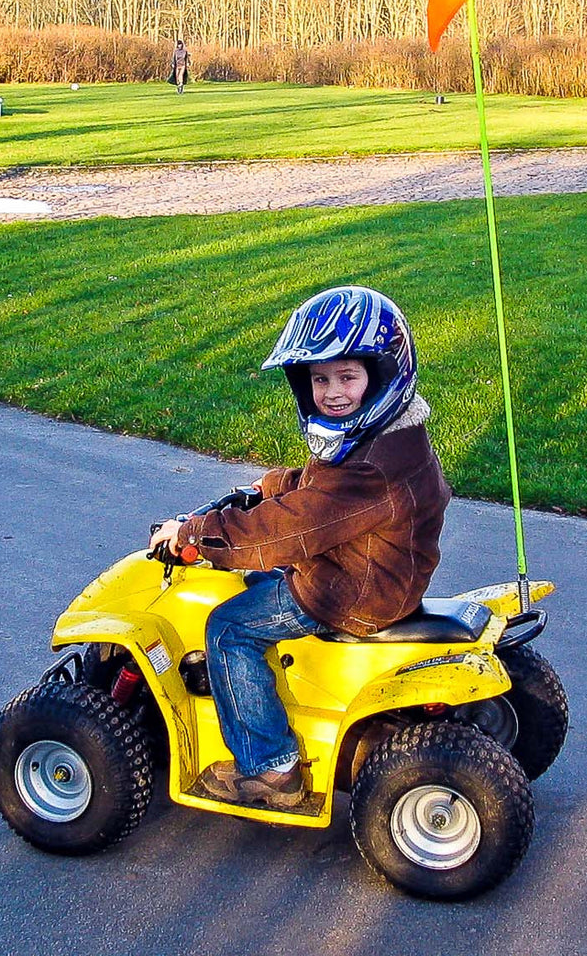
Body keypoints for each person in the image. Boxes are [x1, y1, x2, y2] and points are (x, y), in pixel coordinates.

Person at [151, 286, 451, 809]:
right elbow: (319, 495)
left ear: (381, 375)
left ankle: (270, 767)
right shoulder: (387, 438)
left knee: (227, 627)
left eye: (347, 376)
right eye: (319, 379)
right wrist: (266, 489)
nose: (333, 391)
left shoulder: (369, 468)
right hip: (375, 567)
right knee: (255, 580)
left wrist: (198, 535)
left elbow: (288, 532)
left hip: (351, 590)